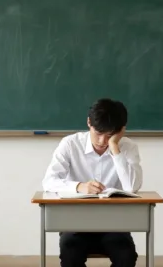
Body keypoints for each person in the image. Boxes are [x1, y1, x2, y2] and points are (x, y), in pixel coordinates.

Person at [42, 98, 143, 267]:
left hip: (114, 224)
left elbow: (132, 187)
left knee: (127, 256)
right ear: (89, 122)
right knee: (70, 255)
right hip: (76, 223)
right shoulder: (70, 144)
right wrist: (79, 187)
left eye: (110, 135)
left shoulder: (128, 147)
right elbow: (49, 181)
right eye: (98, 133)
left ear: (120, 131)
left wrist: (114, 148)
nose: (102, 141)